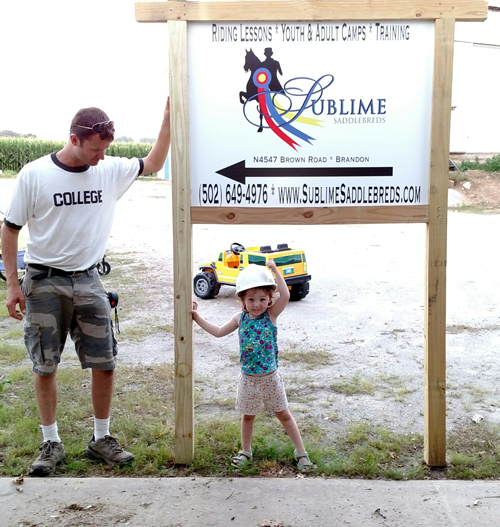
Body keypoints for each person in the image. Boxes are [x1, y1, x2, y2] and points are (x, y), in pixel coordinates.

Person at [1, 99, 171, 476]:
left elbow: (154, 163)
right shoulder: (35, 174)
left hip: (89, 279)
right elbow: (10, 230)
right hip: (44, 281)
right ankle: (51, 443)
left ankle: (101, 439)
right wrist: (13, 285)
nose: (101, 157)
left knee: (105, 362)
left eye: (105, 149)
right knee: (45, 365)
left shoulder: (108, 170)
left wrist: (167, 120)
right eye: (95, 149)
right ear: (74, 139)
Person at [191, 261, 314, 471]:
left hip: (270, 378)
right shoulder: (240, 319)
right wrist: (197, 317)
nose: (257, 304)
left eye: (262, 299)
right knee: (248, 416)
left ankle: (301, 453)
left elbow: (285, 296)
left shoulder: (271, 316)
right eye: (251, 299)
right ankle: (245, 451)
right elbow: (219, 331)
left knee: (284, 414)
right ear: (242, 300)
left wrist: (275, 271)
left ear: (269, 300)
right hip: (248, 379)